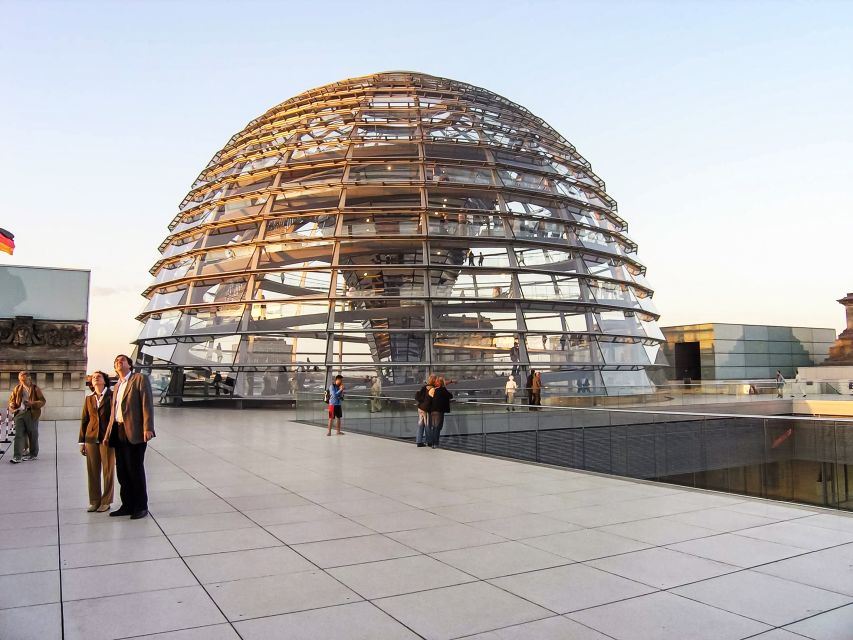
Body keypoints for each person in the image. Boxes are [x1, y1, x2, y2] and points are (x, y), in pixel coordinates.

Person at [104, 354, 155, 520]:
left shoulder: (139, 379)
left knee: (135, 469)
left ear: (129, 365)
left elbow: (146, 403)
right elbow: (114, 412)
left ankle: (141, 506)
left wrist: (148, 428)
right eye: (116, 361)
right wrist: (108, 433)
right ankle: (127, 505)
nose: (119, 362)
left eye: (122, 360)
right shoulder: (118, 385)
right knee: (122, 471)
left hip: (135, 431)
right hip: (118, 431)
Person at [78, 371, 115, 512]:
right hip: (91, 438)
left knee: (108, 470)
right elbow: (84, 420)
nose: (95, 378)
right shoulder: (89, 398)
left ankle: (106, 501)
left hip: (107, 438)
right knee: (93, 470)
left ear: (104, 381)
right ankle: (94, 501)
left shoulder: (112, 396)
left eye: (98, 376)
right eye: (93, 377)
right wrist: (82, 442)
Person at [7, 371, 46, 463]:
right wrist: (12, 404)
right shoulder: (17, 388)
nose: (22, 382)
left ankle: (33, 454)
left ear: (29, 379)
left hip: (31, 413)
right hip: (19, 413)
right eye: (21, 380)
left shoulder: (35, 388)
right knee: (18, 435)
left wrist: (32, 403)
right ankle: (17, 456)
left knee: (32, 434)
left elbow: (42, 401)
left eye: (24, 379)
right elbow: (11, 400)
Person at [429, 377, 453, 448]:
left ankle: (433, 443)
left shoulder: (434, 390)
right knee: (438, 427)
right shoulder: (443, 389)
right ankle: (435, 444)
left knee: (434, 427)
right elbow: (450, 396)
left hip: (432, 411)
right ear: (442, 383)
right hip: (439, 411)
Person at [414, 374, 435, 447]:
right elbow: (434, 399)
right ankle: (429, 441)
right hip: (426, 409)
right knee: (427, 425)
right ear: (434, 380)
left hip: (420, 408)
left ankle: (419, 441)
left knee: (420, 424)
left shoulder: (424, 387)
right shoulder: (432, 389)